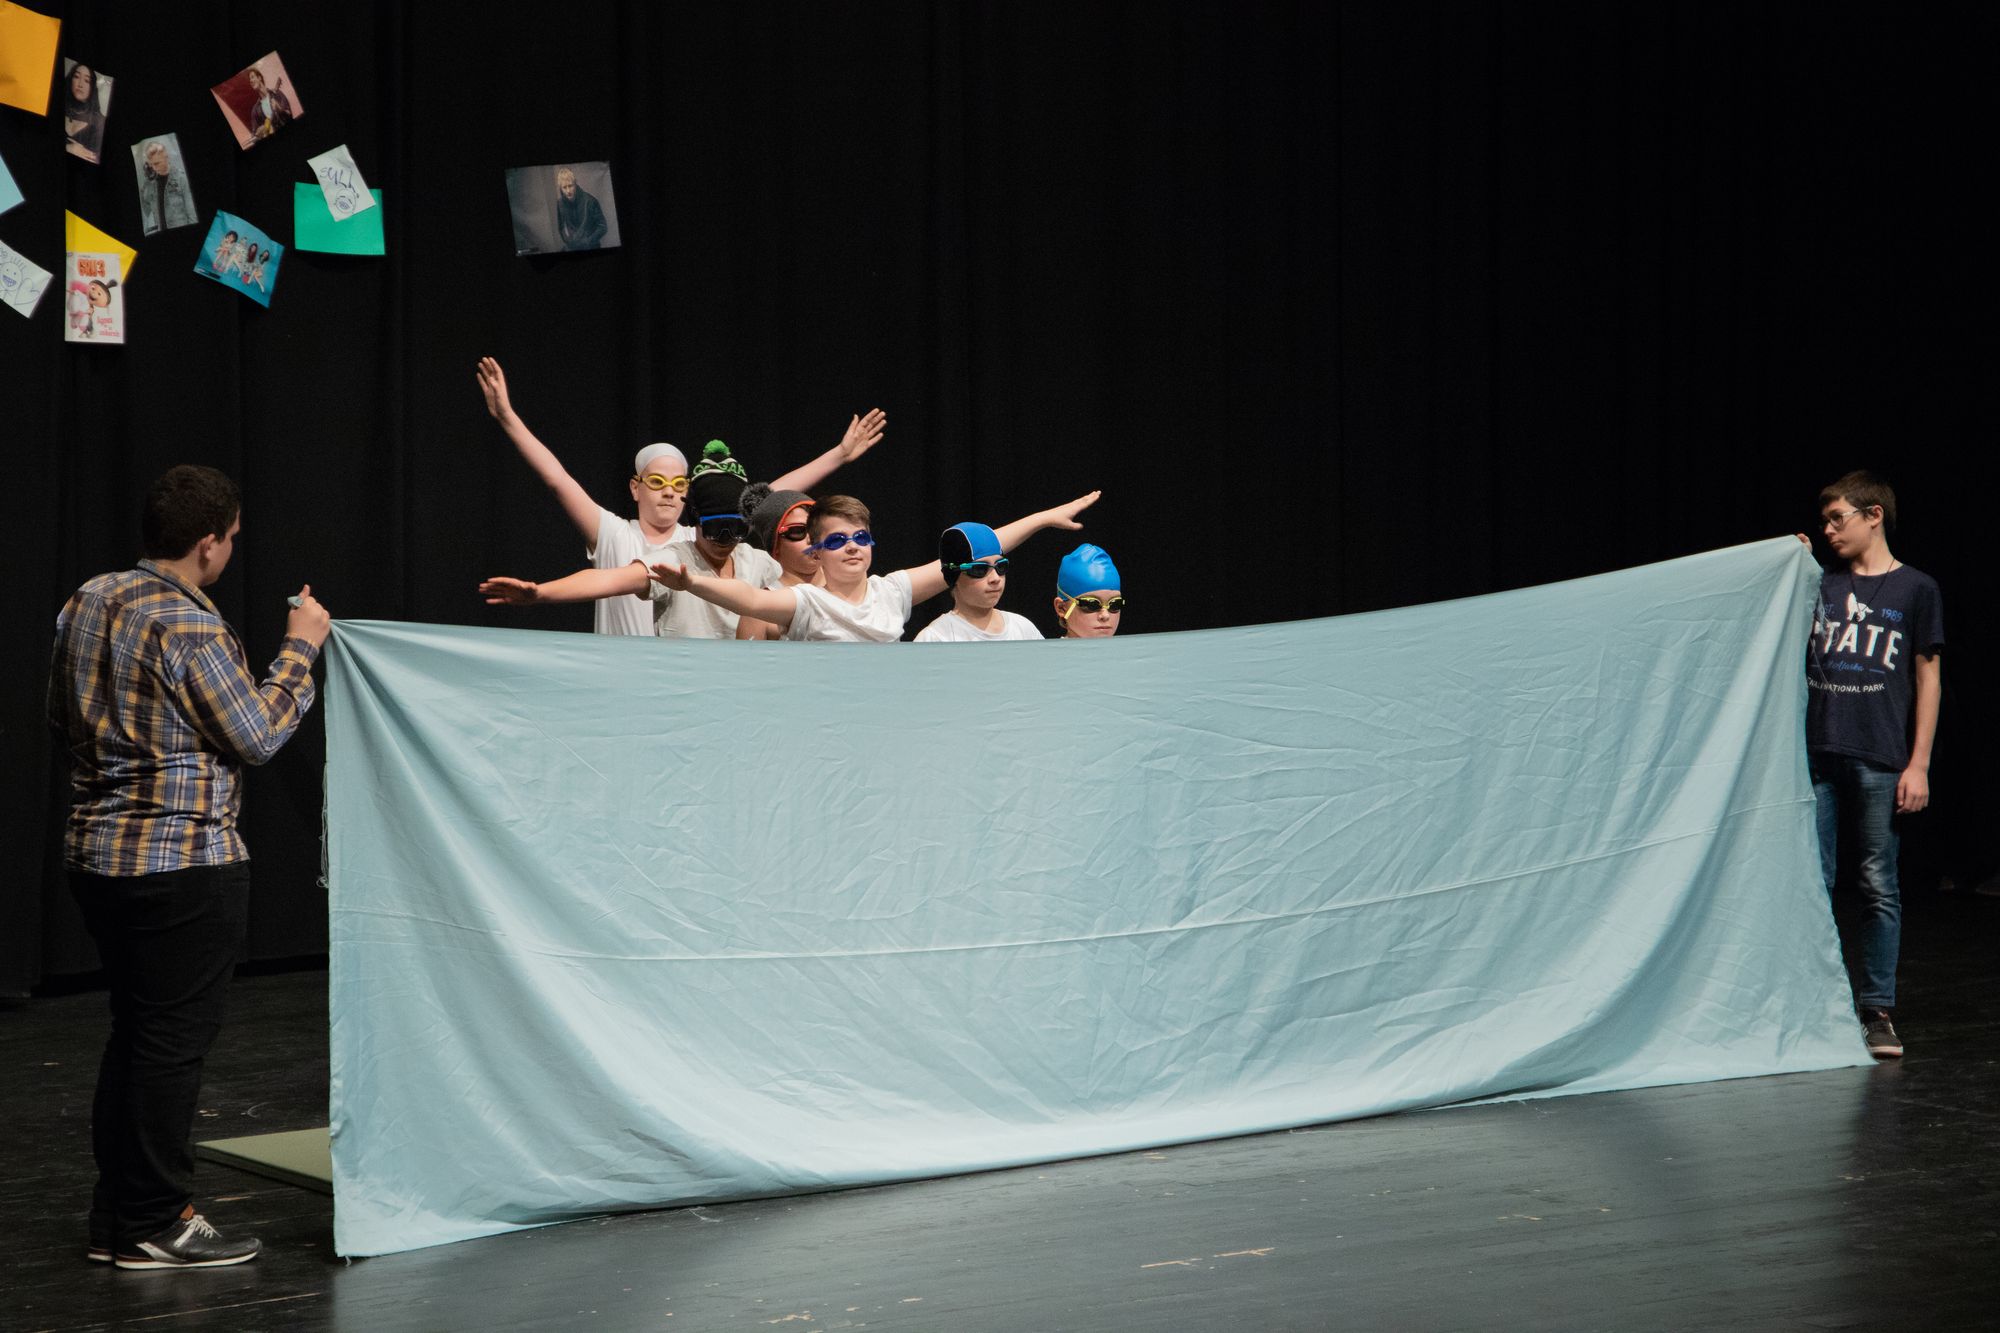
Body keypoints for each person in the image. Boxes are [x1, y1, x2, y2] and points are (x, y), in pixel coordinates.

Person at [49, 465, 330, 1269]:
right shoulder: (191, 627)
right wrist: (301, 648)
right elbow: (257, 735)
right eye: (231, 539)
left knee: (138, 1036)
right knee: (168, 1046)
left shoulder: (88, 598)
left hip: (98, 858)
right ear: (207, 544)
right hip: (182, 865)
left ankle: (118, 1217)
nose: (231, 550)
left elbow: (59, 718)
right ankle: (156, 1217)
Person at [473, 355, 885, 634]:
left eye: (678, 484)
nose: (726, 539)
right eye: (656, 482)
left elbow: (768, 498)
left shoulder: (746, 556)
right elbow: (563, 490)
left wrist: (839, 455)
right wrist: (541, 592)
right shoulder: (658, 552)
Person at [1805, 470, 1943, 1059]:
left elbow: (1928, 677)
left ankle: (1876, 1011)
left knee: (1877, 885)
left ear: (1873, 515)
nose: (1829, 529)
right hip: (1816, 757)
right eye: (1824, 521)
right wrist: (1790, 564)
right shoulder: (1820, 583)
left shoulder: (1916, 589)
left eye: (1838, 518)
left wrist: (1919, 764)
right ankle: (1818, 1004)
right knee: (1812, 883)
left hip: (1880, 758)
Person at [650, 490, 1101, 643]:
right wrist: (692, 583)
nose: (852, 547)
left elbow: (976, 549)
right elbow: (749, 598)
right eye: (838, 541)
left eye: (861, 538)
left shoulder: (892, 591)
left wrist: (1043, 519)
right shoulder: (808, 602)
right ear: (817, 552)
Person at [479, 443, 784, 638]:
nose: (726, 539)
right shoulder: (675, 560)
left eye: (736, 529)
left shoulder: (755, 562)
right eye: (716, 528)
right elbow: (610, 579)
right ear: (696, 521)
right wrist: (541, 593)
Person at [913, 523, 1043, 641]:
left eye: (1000, 567)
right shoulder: (936, 638)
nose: (995, 578)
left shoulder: (1022, 629)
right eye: (980, 569)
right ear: (954, 576)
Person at [735, 486, 823, 640]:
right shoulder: (758, 612)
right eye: (798, 531)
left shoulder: (849, 589)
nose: (811, 539)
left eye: (816, 528)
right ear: (775, 546)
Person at [1052, 543, 1124, 638]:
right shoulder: (1040, 648)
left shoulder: (1134, 647)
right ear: (1061, 608)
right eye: (1091, 604)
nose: (1105, 615)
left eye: (1115, 604)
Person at [136, 140, 197, 235]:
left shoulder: (181, 178)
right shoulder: (150, 183)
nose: (154, 168)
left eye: (157, 163)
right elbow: (147, 210)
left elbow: (192, 214)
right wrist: (146, 185)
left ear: (166, 158)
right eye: (151, 164)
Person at [555, 167, 607, 251]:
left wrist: (588, 241)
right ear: (561, 188)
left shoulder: (590, 201)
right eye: (564, 187)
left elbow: (603, 227)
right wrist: (568, 241)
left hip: (591, 247)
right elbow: (561, 227)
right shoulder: (560, 203)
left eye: (570, 186)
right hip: (572, 247)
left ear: (575, 184)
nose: (568, 191)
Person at [63, 63, 106, 162]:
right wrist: (69, 148)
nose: (80, 84)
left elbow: (95, 160)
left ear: (92, 88)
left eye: (87, 81)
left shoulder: (99, 122)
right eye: (76, 76)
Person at [245, 66, 293, 141]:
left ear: (259, 78)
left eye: (252, 77)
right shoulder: (255, 110)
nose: (250, 81)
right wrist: (259, 134)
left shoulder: (277, 94)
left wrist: (280, 109)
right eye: (249, 79)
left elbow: (290, 115)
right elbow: (254, 135)